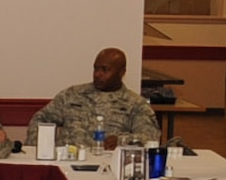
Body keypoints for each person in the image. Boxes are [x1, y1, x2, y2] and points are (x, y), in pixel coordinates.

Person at [28, 48, 160, 149]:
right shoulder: (72, 95)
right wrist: (38, 151)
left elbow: (150, 139)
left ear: (122, 73)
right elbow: (40, 119)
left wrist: (122, 141)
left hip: (108, 168)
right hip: (67, 164)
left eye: (105, 70)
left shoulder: (135, 104)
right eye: (96, 68)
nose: (97, 74)